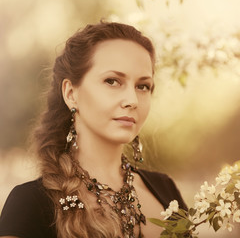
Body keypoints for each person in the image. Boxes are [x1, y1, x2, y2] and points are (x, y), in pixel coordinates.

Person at [0, 21, 187, 238]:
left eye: (142, 86)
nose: (132, 100)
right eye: (112, 81)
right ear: (71, 93)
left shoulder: (166, 191)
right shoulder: (30, 205)